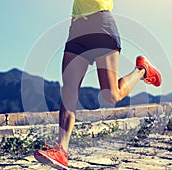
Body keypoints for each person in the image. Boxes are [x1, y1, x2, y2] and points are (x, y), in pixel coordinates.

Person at [34, 0, 161, 169]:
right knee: (69, 90)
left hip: (101, 24)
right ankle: (62, 151)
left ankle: (142, 70)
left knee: (111, 96)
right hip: (77, 30)